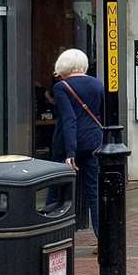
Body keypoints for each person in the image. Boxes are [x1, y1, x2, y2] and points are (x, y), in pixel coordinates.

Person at [50, 48, 107, 237]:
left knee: (57, 190)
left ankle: (54, 235)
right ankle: (103, 239)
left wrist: (70, 153)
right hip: (93, 142)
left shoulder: (61, 87)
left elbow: (69, 119)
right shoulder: (97, 85)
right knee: (95, 192)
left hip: (67, 146)